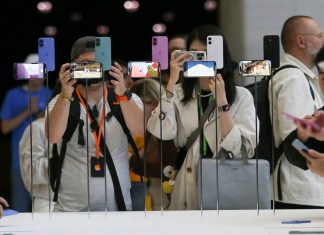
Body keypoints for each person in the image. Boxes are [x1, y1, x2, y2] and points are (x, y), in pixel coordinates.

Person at [147, 24, 258, 210]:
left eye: (207, 53)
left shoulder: (241, 96)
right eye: (195, 54)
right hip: (187, 182)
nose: (201, 60)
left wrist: (223, 103)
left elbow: (242, 150)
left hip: (226, 179)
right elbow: (161, 131)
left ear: (221, 55)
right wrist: (172, 83)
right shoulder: (178, 93)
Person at [45, 36, 144, 212]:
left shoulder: (127, 99)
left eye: (97, 63)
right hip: (70, 212)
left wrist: (122, 92)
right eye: (84, 64)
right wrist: (65, 93)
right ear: (71, 68)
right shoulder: (59, 102)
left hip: (118, 210)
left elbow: (140, 130)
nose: (92, 69)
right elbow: (53, 136)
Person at [269, 15, 324, 209]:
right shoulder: (293, 78)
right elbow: (293, 140)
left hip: (301, 190)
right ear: (301, 40)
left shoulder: (299, 76)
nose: (323, 41)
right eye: (320, 35)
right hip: (299, 192)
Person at [0, 53, 53, 212]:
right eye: (32, 69)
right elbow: (4, 128)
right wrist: (26, 111)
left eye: (40, 70)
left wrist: (38, 111)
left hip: (46, 161)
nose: (36, 75)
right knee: (20, 209)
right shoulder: (12, 95)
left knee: (47, 210)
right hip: (19, 162)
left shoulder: (51, 93)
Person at [130, 78, 177, 210]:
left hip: (165, 204)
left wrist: (133, 161)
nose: (134, 112)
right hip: (157, 201)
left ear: (154, 102)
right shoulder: (153, 127)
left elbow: (169, 172)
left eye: (138, 105)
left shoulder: (166, 129)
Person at [19, 81, 61, 212]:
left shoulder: (84, 129)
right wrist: (66, 163)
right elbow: (31, 172)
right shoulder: (38, 128)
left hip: (80, 203)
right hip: (47, 203)